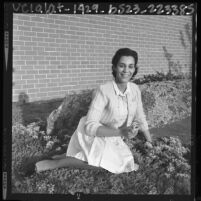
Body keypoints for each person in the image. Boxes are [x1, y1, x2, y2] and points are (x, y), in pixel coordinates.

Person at [35, 48, 153, 174]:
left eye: (131, 66)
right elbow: (90, 127)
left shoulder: (134, 90)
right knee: (112, 166)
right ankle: (57, 163)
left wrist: (149, 140)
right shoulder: (103, 91)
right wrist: (121, 132)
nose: (126, 71)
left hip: (113, 136)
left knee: (121, 163)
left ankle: (70, 155)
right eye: (122, 66)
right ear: (114, 67)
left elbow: (140, 116)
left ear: (135, 69)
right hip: (93, 134)